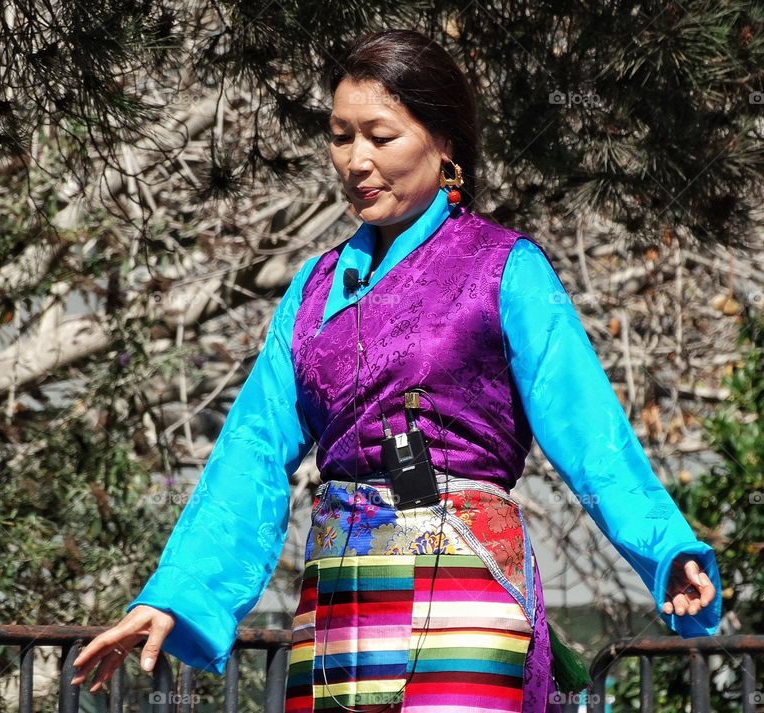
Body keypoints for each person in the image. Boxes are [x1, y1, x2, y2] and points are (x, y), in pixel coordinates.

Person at [72, 29, 721, 712]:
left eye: (380, 137)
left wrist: (665, 548)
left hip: (468, 595)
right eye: (340, 135)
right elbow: (252, 449)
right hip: (337, 606)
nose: (355, 160)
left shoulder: (505, 268)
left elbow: (591, 434)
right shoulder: (314, 287)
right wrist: (176, 594)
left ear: (444, 143)